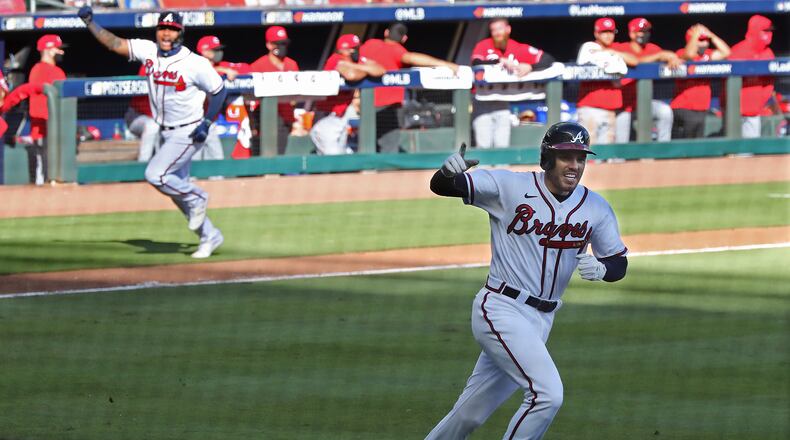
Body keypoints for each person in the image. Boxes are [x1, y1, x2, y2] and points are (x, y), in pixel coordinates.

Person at [425, 121, 628, 440]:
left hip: (542, 320)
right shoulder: (509, 186)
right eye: (566, 157)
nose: (574, 165)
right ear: (547, 158)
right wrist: (446, 173)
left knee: (469, 413)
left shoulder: (595, 207)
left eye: (580, 158)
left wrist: (603, 270)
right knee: (547, 395)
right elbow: (444, 186)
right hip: (501, 308)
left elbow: (619, 262)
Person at [78, 7, 227, 259]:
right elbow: (114, 43)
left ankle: (199, 195)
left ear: (180, 33)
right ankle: (209, 236)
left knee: (155, 174)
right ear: (157, 31)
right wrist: (90, 23)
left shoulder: (195, 63)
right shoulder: (149, 51)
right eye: (163, 29)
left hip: (188, 131)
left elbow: (219, 91)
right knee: (177, 194)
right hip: (166, 132)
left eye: (172, 29)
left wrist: (207, 123)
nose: (166, 34)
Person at [359, 22, 459, 153]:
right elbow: (413, 58)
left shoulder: (369, 44)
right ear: (404, 38)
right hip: (389, 107)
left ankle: (367, 171)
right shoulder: (397, 50)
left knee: (366, 146)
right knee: (389, 149)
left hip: (366, 105)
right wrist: (446, 65)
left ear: (386, 33)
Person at [471, 18, 555, 149]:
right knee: (483, 145)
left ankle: (501, 169)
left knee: (502, 145)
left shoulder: (517, 47)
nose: (497, 33)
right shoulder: (484, 45)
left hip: (503, 102)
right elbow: (476, 62)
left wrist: (530, 66)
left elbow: (548, 59)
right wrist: (499, 61)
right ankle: (483, 169)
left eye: (500, 29)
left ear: (508, 29)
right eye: (493, 30)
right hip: (482, 101)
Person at [310, 34, 385, 155]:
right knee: (333, 157)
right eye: (351, 49)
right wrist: (366, 70)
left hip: (341, 117)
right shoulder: (336, 58)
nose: (354, 51)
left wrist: (356, 66)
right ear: (342, 50)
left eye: (356, 48)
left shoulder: (355, 61)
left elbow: (380, 69)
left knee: (339, 157)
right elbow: (352, 75)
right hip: (326, 116)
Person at [611, 18, 681, 143]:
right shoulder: (621, 47)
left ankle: (663, 151)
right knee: (621, 141)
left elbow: (666, 54)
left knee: (665, 111)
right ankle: (618, 161)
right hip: (623, 105)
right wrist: (657, 57)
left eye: (646, 31)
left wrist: (673, 57)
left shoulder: (651, 48)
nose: (644, 34)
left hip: (644, 102)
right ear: (632, 33)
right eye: (641, 31)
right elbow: (636, 61)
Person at [576, 17, 638, 144]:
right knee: (588, 153)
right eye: (604, 32)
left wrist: (611, 52)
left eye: (611, 32)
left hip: (611, 110)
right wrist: (608, 56)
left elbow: (634, 60)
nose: (608, 35)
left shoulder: (617, 48)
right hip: (590, 108)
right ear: (596, 33)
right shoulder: (589, 47)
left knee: (606, 157)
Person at [670, 24, 730, 139]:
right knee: (686, 142)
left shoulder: (707, 55)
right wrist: (695, 35)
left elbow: (726, 52)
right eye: (701, 40)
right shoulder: (681, 53)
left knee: (698, 141)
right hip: (683, 107)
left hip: (701, 107)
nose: (705, 43)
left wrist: (711, 35)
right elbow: (689, 54)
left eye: (706, 40)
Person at [249, 26, 299, 154]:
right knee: (266, 154)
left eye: (284, 43)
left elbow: (297, 91)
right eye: (278, 44)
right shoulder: (258, 65)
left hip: (286, 115)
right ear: (269, 45)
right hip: (266, 116)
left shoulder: (291, 64)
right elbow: (250, 97)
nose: (282, 46)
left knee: (281, 153)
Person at [196, 34, 247, 160]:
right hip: (192, 120)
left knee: (216, 158)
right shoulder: (194, 64)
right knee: (194, 160)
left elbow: (246, 68)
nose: (219, 52)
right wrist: (221, 70)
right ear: (204, 51)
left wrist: (223, 69)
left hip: (209, 121)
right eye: (215, 50)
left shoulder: (221, 64)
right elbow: (202, 72)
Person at [27, 34, 67, 185]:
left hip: (47, 129)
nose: (61, 52)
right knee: (43, 178)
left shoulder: (35, 70)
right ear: (49, 50)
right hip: (45, 129)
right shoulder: (51, 72)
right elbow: (37, 104)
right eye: (58, 49)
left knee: (49, 178)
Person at [728, 15, 775, 138]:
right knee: (733, 152)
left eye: (770, 31)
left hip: (755, 112)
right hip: (735, 112)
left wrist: (760, 102)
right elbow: (727, 83)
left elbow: (769, 83)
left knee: (750, 153)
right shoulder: (738, 51)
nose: (769, 34)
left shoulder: (768, 53)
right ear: (755, 30)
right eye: (765, 30)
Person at [126, 64, 160, 162]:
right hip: (138, 116)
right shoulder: (149, 66)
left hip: (162, 120)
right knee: (153, 126)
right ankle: (142, 165)